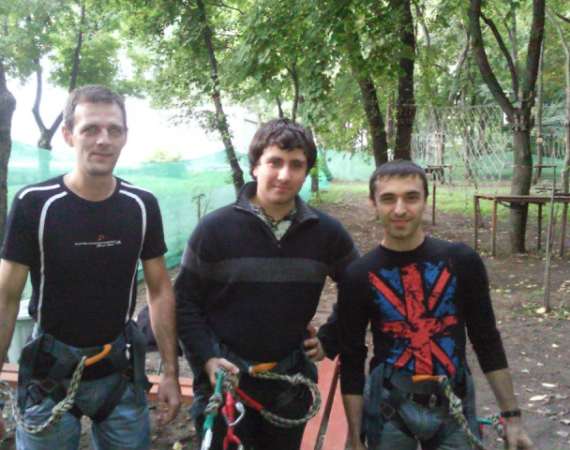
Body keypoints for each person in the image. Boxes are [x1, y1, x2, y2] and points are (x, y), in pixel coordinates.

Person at [0, 85, 181, 450]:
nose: (103, 140)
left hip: (118, 370)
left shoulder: (140, 205)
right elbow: (5, 298)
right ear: (69, 135)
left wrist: (171, 374)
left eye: (114, 130)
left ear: (125, 137)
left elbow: (160, 291)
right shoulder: (35, 204)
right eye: (90, 129)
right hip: (49, 374)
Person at [175, 118, 360, 450]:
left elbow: (360, 288)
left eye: (296, 165)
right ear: (255, 167)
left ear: (307, 172)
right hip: (225, 381)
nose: (285, 175)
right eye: (275, 162)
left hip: (289, 384)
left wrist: (330, 338)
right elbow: (184, 303)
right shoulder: (214, 230)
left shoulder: (327, 233)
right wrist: (206, 358)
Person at [338, 160, 533, 450]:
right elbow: (352, 357)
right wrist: (355, 438)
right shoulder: (358, 275)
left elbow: (486, 340)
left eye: (411, 197)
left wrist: (513, 418)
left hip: (453, 404)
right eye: (388, 199)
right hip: (389, 406)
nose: (400, 209)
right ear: (373, 204)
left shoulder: (461, 261)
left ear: (425, 201)